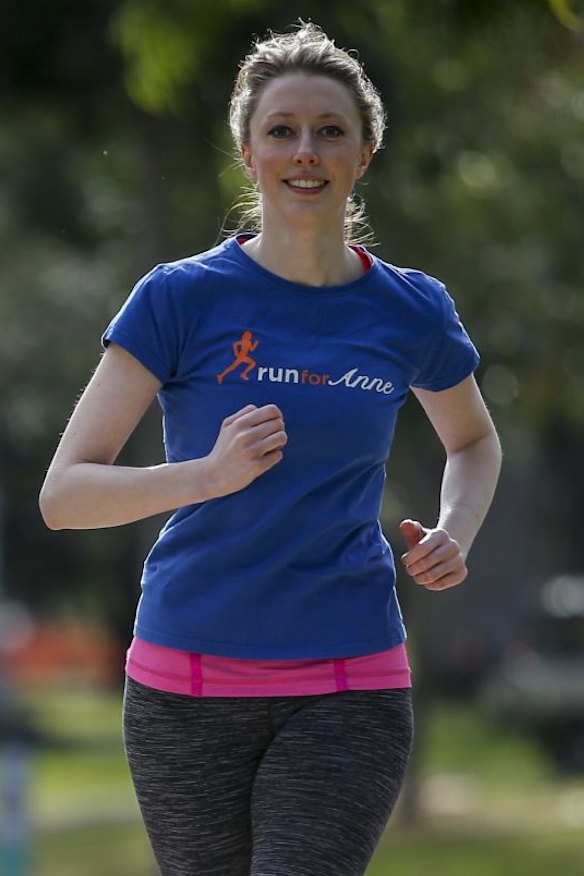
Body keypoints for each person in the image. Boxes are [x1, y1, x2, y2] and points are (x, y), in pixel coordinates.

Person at [39, 21, 502, 876]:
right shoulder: (179, 299)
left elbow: (472, 439)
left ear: (364, 153)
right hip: (187, 684)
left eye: (331, 131)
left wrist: (456, 530)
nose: (306, 151)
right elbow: (64, 495)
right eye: (282, 130)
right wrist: (206, 475)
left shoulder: (410, 309)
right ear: (248, 153)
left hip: (350, 679)